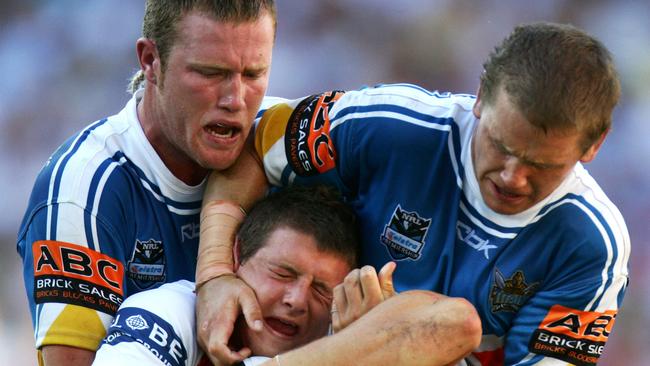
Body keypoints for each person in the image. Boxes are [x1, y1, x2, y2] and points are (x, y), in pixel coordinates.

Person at [194, 22, 630, 365]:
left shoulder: (591, 243)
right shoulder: (390, 126)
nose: (513, 177)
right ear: (479, 98)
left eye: (542, 166)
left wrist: (385, 346)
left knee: (454, 325)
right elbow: (252, 145)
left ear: (594, 146)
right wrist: (214, 273)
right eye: (500, 144)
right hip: (298, 342)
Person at [16, 1, 275, 365]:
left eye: (253, 74)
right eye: (210, 73)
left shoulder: (280, 144)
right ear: (151, 60)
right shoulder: (82, 192)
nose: (235, 100)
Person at [92, 186, 360, 366]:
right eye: (282, 273)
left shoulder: (355, 348)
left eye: (322, 289)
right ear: (237, 255)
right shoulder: (172, 310)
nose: (297, 300)